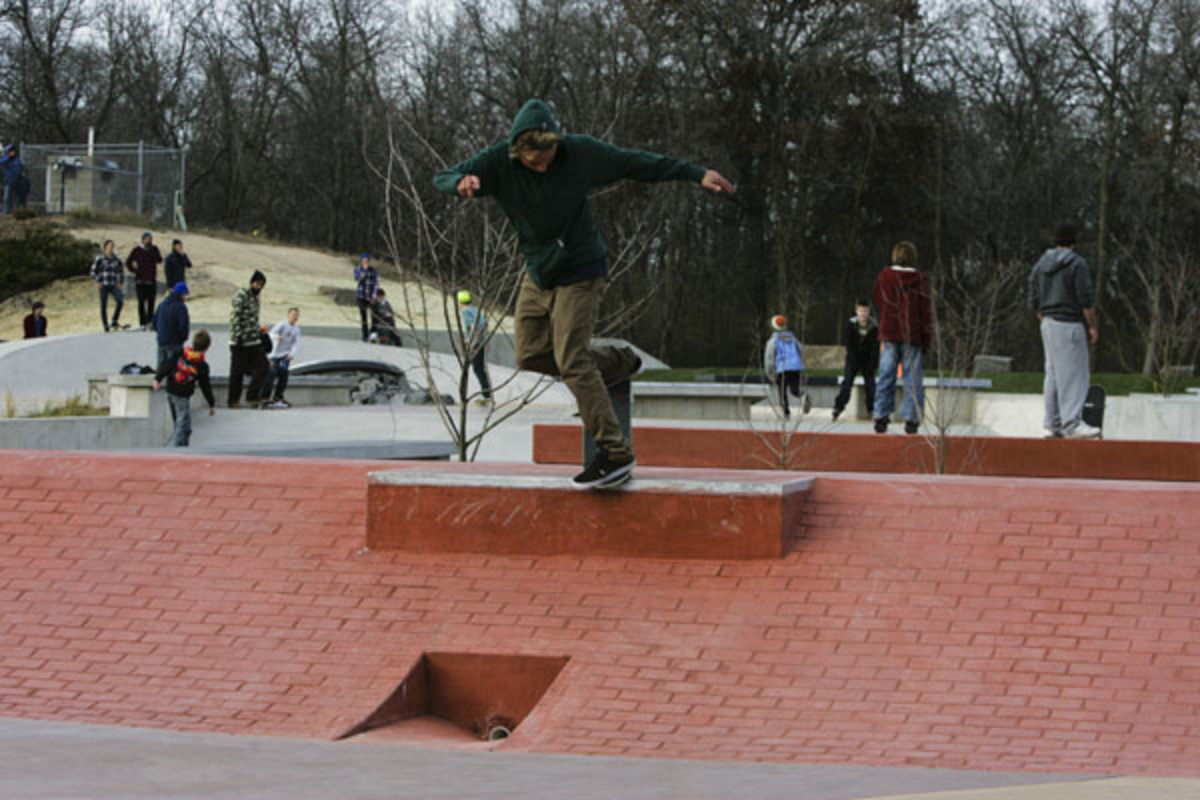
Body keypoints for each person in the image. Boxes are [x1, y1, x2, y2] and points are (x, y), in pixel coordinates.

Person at [434, 98, 735, 488]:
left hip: (581, 269)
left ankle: (615, 454)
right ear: (516, 151)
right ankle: (619, 361)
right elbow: (443, 175)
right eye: (532, 161)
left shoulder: (580, 153)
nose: (541, 166)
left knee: (572, 358)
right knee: (530, 355)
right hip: (538, 272)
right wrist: (460, 184)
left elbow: (636, 162)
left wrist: (695, 174)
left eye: (547, 158)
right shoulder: (496, 162)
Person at [1028, 224, 1100, 439]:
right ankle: (1072, 424)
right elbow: (1085, 299)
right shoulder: (1077, 264)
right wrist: (1093, 326)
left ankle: (1053, 423)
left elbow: (1032, 295)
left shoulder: (1041, 264)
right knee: (1074, 376)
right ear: (1073, 242)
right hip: (1069, 323)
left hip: (1048, 324)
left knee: (1053, 375)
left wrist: (1043, 316)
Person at [872, 240, 933, 435]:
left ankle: (881, 415)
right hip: (912, 334)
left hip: (890, 331)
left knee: (886, 375)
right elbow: (926, 311)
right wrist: (926, 339)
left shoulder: (885, 277)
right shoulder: (920, 280)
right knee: (913, 379)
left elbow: (877, 299)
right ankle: (911, 418)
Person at [153, 329, 216, 447]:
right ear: (207, 348)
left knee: (184, 427)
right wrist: (211, 403)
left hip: (170, 391)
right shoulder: (202, 366)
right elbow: (205, 385)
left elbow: (167, 365)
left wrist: (158, 379)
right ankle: (176, 451)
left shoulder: (180, 353)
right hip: (182, 396)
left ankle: (184, 449)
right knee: (182, 426)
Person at [832, 299, 879, 421]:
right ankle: (838, 407)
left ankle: (872, 409)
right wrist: (853, 360)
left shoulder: (874, 327)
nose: (863, 314)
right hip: (853, 359)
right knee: (847, 383)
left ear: (869, 312)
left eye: (866, 311)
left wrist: (872, 363)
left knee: (871, 385)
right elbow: (849, 344)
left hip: (867, 360)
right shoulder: (851, 325)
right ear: (857, 311)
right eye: (861, 311)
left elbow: (875, 347)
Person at [228, 270, 269, 408]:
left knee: (263, 365)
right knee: (237, 372)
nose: (259, 288)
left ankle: (252, 395)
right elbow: (235, 316)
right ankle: (233, 400)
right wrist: (238, 335)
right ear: (252, 283)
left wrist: (259, 330)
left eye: (262, 285)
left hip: (253, 340)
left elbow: (253, 318)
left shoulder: (256, 298)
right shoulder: (242, 295)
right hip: (239, 341)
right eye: (258, 284)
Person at [763, 315, 809, 418]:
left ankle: (786, 412)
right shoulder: (793, 339)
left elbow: (769, 358)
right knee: (794, 389)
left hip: (782, 368)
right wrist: (802, 366)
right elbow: (801, 350)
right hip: (796, 368)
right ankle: (802, 396)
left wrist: (770, 373)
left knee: (782, 391)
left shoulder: (773, 341)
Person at [457, 290, 493, 403]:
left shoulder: (466, 312)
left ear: (460, 301)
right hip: (482, 341)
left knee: (477, 368)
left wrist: (471, 342)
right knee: (480, 368)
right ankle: (487, 393)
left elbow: (473, 327)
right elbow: (483, 324)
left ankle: (486, 395)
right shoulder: (476, 309)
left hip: (475, 343)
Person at [263, 307, 301, 408]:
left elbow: (295, 344)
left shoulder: (296, 329)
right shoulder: (282, 325)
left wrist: (291, 354)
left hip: (285, 355)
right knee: (272, 373)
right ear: (288, 315)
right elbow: (270, 334)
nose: (295, 317)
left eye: (296, 315)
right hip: (275, 354)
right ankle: (265, 397)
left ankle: (278, 397)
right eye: (293, 315)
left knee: (284, 373)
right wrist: (277, 337)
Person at [125, 232, 163, 329]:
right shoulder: (137, 250)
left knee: (151, 302)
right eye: (146, 239)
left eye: (150, 239)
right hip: (140, 281)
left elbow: (159, 260)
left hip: (151, 280)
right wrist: (135, 270)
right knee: (141, 303)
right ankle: (142, 322)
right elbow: (128, 262)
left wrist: (152, 253)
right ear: (142, 240)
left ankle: (150, 321)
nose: (148, 241)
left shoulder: (154, 249)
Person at [153, 282, 190, 375]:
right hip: (174, 343)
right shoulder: (180, 307)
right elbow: (183, 326)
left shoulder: (162, 305)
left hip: (161, 341)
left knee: (161, 370)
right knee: (174, 371)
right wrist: (183, 338)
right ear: (181, 294)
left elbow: (154, 323)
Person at [90, 239, 126, 332]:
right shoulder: (100, 259)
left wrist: (120, 282)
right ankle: (105, 325)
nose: (111, 248)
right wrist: (98, 281)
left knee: (120, 301)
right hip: (104, 284)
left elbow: (121, 272)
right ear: (105, 247)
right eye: (109, 246)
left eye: (112, 246)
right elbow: (93, 271)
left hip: (113, 284)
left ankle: (114, 320)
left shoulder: (117, 259)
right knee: (104, 305)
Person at [354, 253, 378, 342]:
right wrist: (363, 273)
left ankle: (373, 334)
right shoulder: (358, 269)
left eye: (367, 260)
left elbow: (376, 283)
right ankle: (364, 335)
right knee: (363, 317)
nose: (366, 262)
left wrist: (374, 296)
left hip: (371, 296)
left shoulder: (373, 270)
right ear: (361, 261)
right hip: (361, 296)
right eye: (364, 260)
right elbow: (357, 279)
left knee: (374, 315)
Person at [1, 144, 22, 213]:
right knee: (6, 198)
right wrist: (8, 158)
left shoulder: (17, 160)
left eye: (12, 151)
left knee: (16, 198)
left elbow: (17, 170)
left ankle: (16, 212)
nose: (11, 153)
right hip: (7, 182)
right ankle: (6, 212)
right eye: (9, 151)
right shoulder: (6, 159)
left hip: (16, 182)